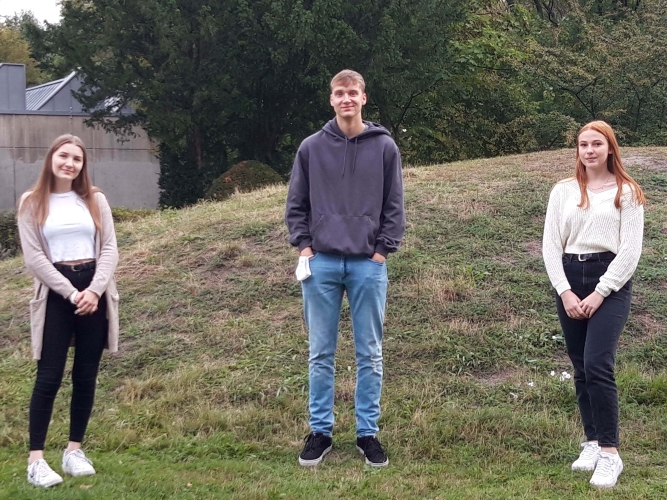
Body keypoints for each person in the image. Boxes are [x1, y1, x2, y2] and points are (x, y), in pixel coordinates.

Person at [285, 69, 405, 467]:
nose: (346, 99)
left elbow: (394, 205)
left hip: (368, 265)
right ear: (331, 99)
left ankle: (367, 434)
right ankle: (320, 432)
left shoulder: (384, 147)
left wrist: (382, 252)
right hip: (321, 263)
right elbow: (296, 204)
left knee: (369, 354)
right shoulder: (311, 148)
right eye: (340, 93)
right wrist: (305, 247)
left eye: (353, 92)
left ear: (363, 98)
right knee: (320, 353)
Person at [542, 121, 645, 488]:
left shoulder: (627, 192)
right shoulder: (563, 191)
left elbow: (630, 252)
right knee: (581, 366)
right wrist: (565, 291)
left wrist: (601, 292)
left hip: (610, 281)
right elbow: (550, 246)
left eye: (597, 144)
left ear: (610, 148)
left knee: (599, 364)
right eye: (583, 144)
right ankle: (592, 441)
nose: (589, 150)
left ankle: (610, 453)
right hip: (570, 278)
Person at [17, 134, 120, 488]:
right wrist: (72, 293)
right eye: (64, 156)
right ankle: (36, 460)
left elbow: (110, 248)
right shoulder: (32, 202)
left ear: (82, 165)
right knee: (48, 376)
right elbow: (34, 258)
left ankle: (74, 450)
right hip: (57, 293)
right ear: (51, 158)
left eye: (77, 159)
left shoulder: (95, 199)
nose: (69, 163)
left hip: (94, 290)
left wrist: (94, 290)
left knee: (86, 374)